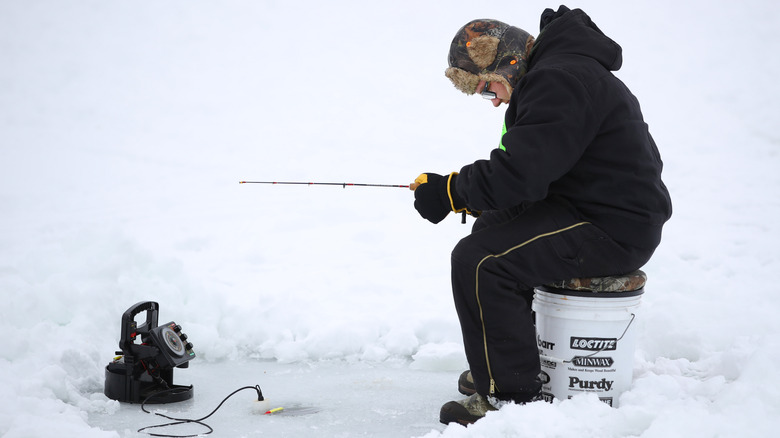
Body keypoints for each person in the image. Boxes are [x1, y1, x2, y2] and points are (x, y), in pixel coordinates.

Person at [410, 6, 672, 425]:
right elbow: (535, 168)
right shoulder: (560, 72)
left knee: (480, 262)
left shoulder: (558, 79)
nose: (492, 100)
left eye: (486, 88)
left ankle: (511, 399)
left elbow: (523, 174)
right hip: (591, 207)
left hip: (612, 225)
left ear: (508, 62)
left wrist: (451, 191)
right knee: (492, 229)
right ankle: (501, 366)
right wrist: (464, 196)